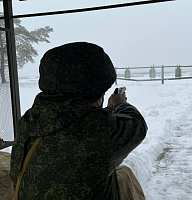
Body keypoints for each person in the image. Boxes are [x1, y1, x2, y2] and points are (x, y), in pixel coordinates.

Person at [10, 42, 148, 199]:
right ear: (94, 94)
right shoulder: (98, 132)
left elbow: (68, 120)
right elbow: (137, 125)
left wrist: (104, 111)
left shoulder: (30, 122)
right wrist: (119, 104)